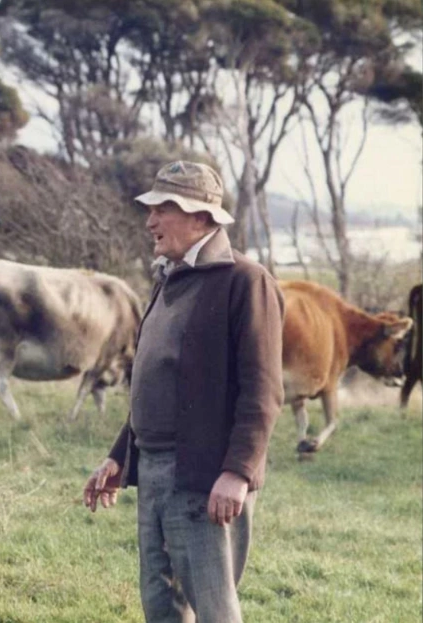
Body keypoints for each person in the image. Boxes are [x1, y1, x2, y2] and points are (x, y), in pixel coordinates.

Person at [83, 161, 285, 623]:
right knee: (162, 605)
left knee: (214, 609)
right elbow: (160, 384)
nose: (150, 221)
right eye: (151, 209)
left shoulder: (246, 282)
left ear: (201, 218)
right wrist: (120, 455)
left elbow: (263, 391)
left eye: (164, 209)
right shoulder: (168, 276)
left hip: (203, 475)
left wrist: (237, 472)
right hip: (153, 472)